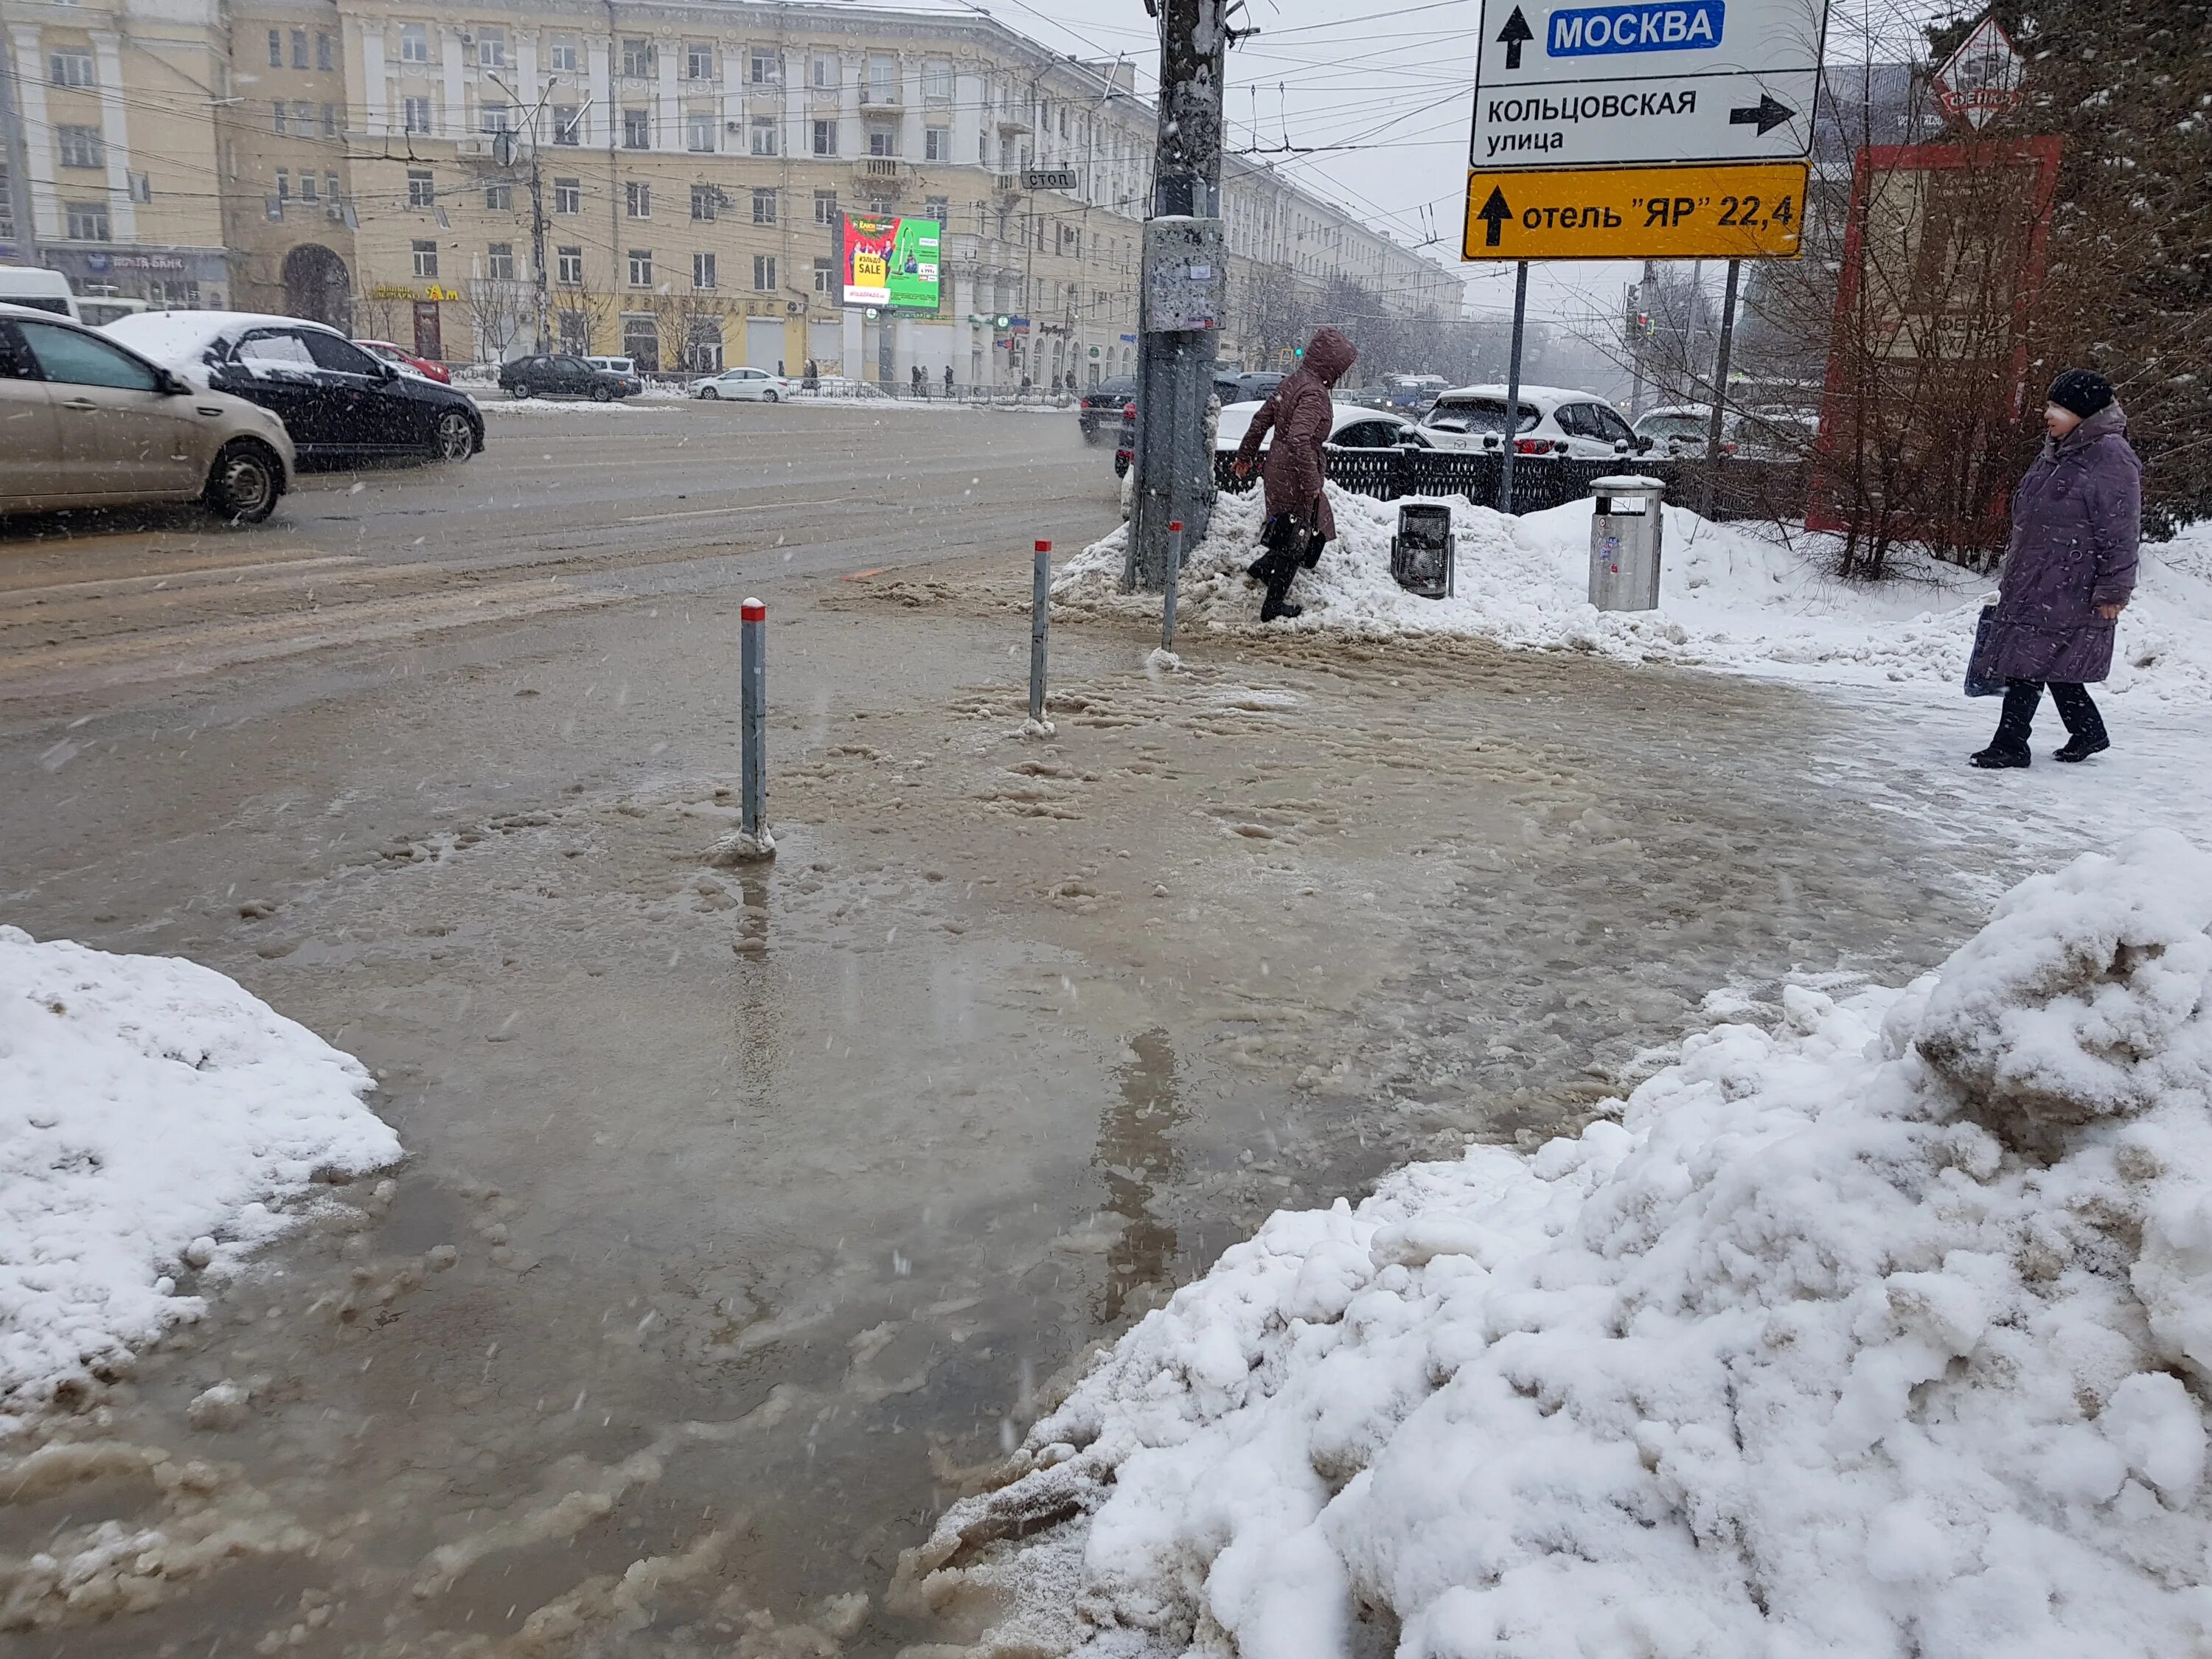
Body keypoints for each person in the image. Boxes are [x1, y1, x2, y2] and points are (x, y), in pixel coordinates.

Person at [1969, 369, 2140, 769]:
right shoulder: (2059, 450)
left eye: (2058, 407)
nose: (2048, 414)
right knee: (2052, 662)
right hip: (2038, 578)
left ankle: (2011, 743)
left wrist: (2115, 590)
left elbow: (2121, 530)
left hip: (2071, 584)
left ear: (2084, 412)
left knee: (2029, 661)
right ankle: (2087, 731)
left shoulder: (2111, 458)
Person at [1231, 328, 1358, 622]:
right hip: (1295, 472)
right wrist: (1311, 482)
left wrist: (1246, 455)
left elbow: (1262, 419)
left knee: (1296, 528)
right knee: (1299, 536)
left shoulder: (1293, 382)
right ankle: (1273, 604)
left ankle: (1263, 567)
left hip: (1278, 466)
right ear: (1331, 364)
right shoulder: (1314, 393)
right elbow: (1301, 439)